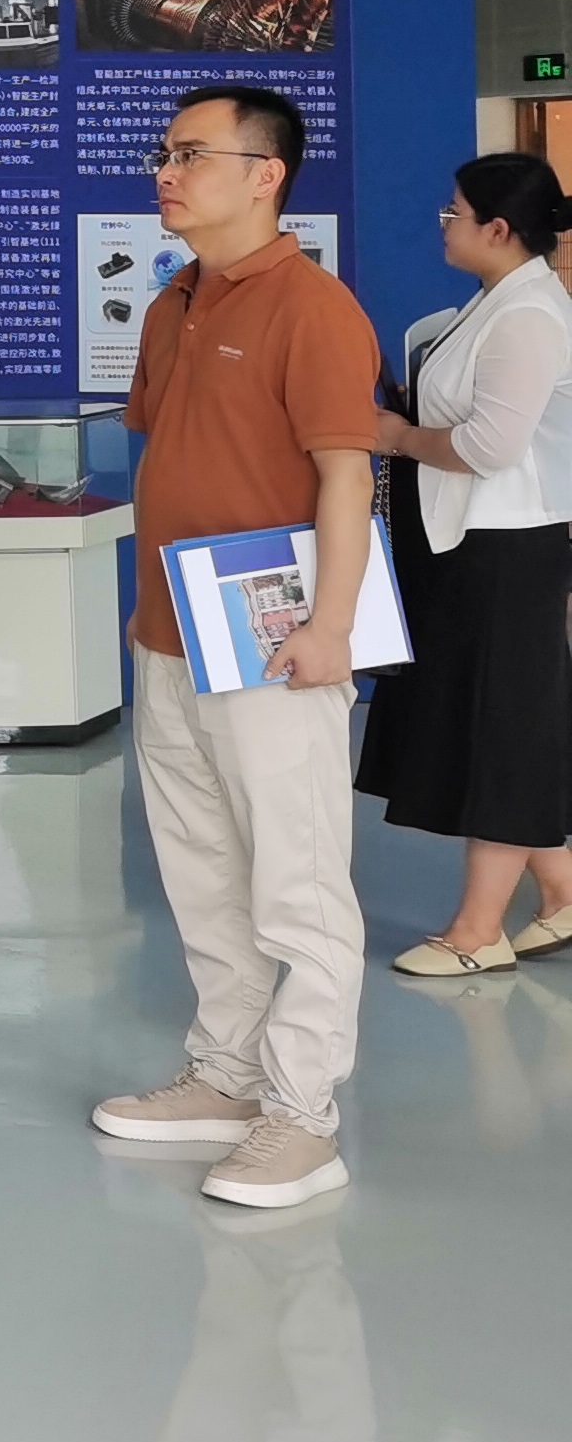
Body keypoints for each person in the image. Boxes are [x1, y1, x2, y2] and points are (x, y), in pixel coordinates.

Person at [90, 83, 378, 1210]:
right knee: (202, 872)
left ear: (266, 175)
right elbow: (179, 455)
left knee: (297, 885)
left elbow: (347, 476)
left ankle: (303, 1119)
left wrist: (331, 627)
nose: (167, 172)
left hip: (275, 643)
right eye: (163, 153)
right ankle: (229, 1075)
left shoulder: (315, 308)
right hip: (171, 633)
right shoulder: (173, 301)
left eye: (192, 154)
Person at [358, 152, 572, 972]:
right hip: (466, 546)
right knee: (491, 723)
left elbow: (489, 446)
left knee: (504, 734)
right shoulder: (493, 302)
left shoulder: (529, 315)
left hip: (507, 550)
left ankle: (479, 933)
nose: (443, 225)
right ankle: (562, 893)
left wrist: (397, 436)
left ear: (499, 228)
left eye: (454, 213)